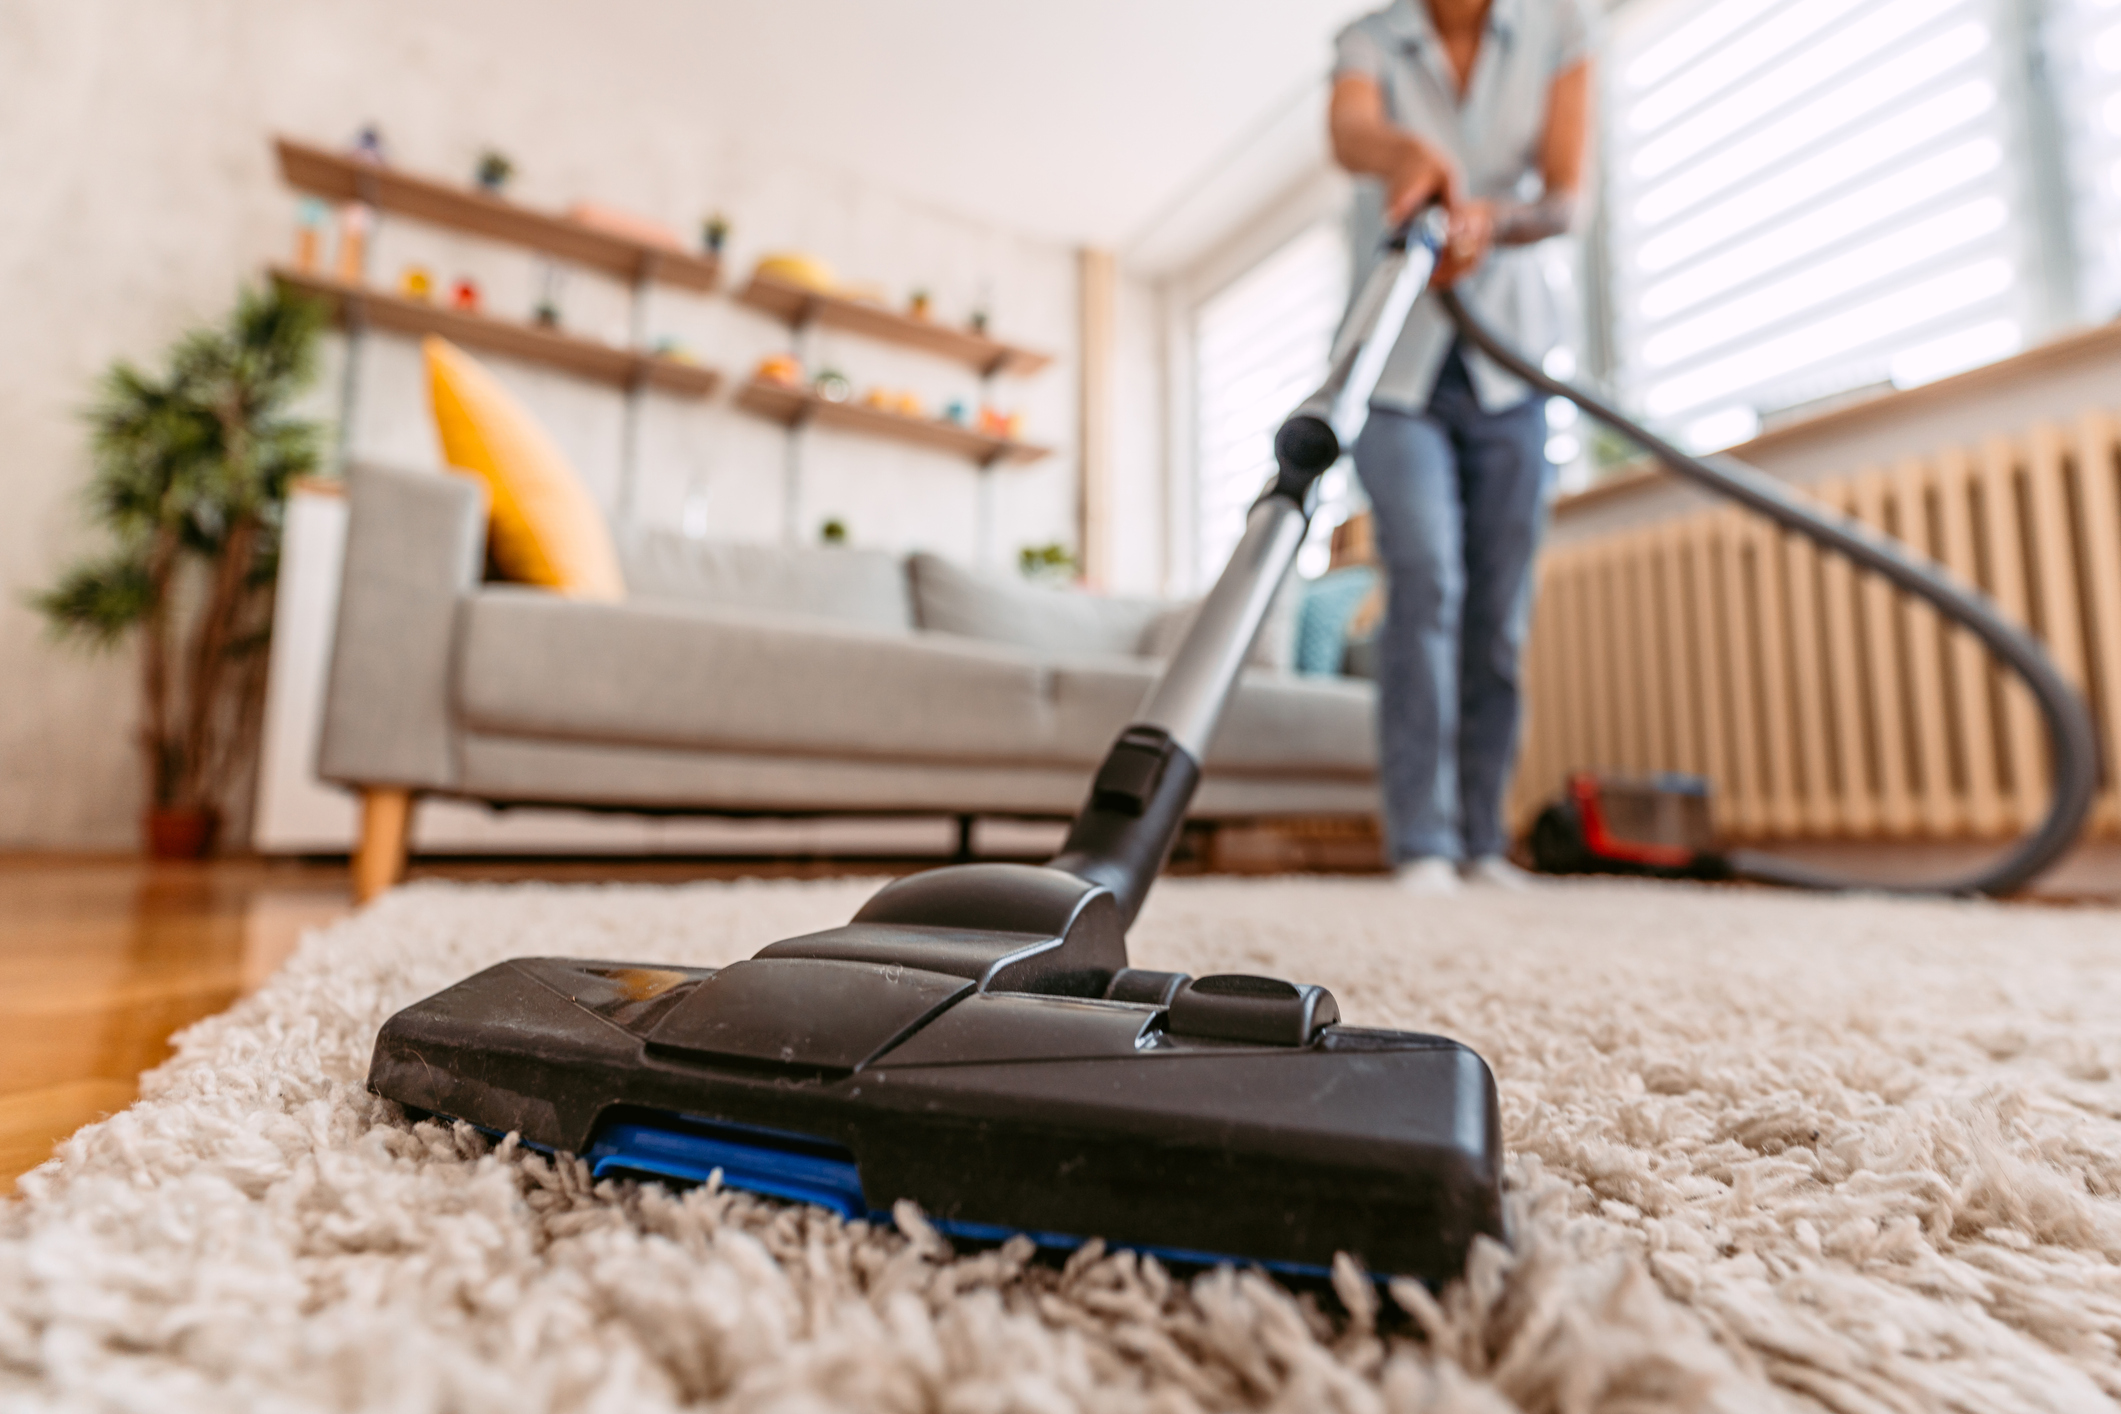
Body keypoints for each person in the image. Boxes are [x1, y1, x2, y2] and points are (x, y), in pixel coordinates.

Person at [1328, 0, 1591, 893]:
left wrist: (1489, 222)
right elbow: (1352, 132)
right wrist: (1414, 157)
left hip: (1508, 364)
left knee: (1497, 611)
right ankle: (1424, 843)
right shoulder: (1370, 39)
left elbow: (1563, 195)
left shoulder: (1560, 30)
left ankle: (1482, 838)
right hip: (1395, 368)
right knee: (1429, 578)